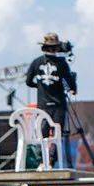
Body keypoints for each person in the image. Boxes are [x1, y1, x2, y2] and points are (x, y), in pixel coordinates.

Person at [25, 33, 77, 168]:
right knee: (57, 134)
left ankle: (43, 161)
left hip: (43, 105)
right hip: (59, 104)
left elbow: (28, 81)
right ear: (57, 48)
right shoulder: (62, 63)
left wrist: (40, 86)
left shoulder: (36, 62)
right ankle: (52, 160)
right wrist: (73, 88)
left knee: (43, 133)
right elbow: (69, 83)